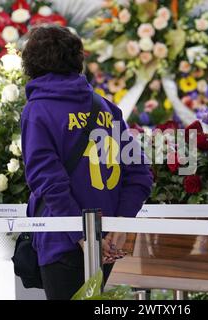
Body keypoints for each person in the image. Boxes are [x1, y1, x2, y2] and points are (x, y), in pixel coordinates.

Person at [20, 25, 153, 300]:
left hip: (65, 238)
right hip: (105, 242)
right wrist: (118, 226)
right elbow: (139, 174)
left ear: (31, 62)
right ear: (77, 59)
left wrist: (84, 236)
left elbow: (46, 180)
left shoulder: (38, 110)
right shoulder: (105, 107)